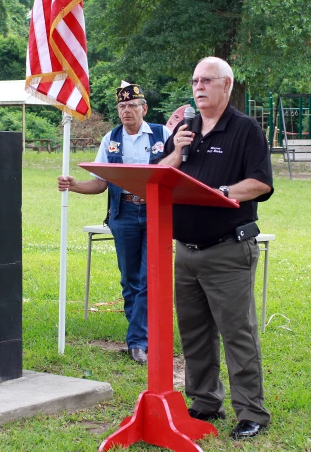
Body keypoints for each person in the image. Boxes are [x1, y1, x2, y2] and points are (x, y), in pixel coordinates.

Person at [160, 57, 274, 440]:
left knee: (236, 331)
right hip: (185, 251)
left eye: (207, 80)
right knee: (193, 332)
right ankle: (205, 401)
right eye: (194, 80)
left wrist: (223, 193)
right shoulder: (185, 129)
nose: (198, 87)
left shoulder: (245, 130)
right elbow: (161, 173)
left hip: (227, 250)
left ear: (226, 85)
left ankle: (251, 412)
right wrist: (175, 148)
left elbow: (260, 182)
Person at [57, 82, 172, 365]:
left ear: (144, 108)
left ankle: (136, 342)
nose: (126, 111)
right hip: (123, 214)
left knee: (148, 278)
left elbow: (177, 170)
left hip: (156, 213)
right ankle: (141, 337)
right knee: (129, 279)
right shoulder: (111, 138)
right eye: (122, 106)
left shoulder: (162, 134)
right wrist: (73, 186)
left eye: (132, 105)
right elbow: (100, 184)